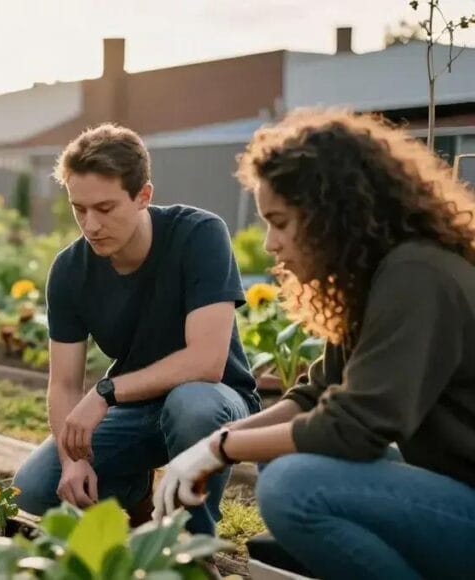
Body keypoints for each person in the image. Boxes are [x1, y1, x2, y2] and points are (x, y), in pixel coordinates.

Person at [152, 109, 475, 580]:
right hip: (455, 494)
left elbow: (353, 428)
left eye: (280, 222)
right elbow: (315, 397)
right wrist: (210, 444)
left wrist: (221, 448)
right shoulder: (378, 278)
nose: (270, 244)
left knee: (293, 487)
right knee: (286, 455)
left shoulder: (417, 276)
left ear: (334, 212)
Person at [12, 123, 259, 535]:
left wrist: (106, 392)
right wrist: (74, 461)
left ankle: (192, 544)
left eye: (105, 209)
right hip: (136, 411)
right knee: (35, 489)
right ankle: (134, 490)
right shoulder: (70, 270)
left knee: (193, 406)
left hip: (215, 403)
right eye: (79, 209)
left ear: (143, 195)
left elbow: (207, 362)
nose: (89, 225)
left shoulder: (199, 235)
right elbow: (64, 385)